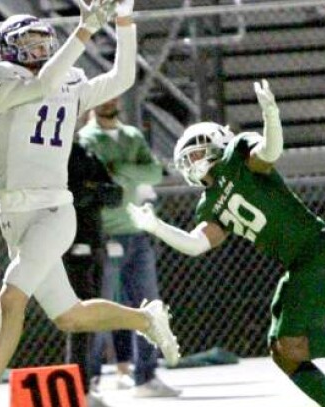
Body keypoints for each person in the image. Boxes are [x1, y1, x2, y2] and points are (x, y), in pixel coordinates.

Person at [0, 1, 180, 406]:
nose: (37, 50)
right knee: (68, 316)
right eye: (28, 43)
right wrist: (84, 30)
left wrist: (122, 21)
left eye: (42, 43)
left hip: (54, 210)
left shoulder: (69, 77)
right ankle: (145, 318)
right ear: (7, 48)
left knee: (10, 298)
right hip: (14, 214)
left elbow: (122, 76)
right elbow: (40, 86)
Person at [127, 79, 325, 407]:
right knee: (284, 354)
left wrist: (271, 116)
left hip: (319, 253)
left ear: (217, 142)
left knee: (292, 344)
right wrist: (156, 226)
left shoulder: (237, 155)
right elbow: (196, 244)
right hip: (301, 264)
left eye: (195, 150)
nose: (191, 161)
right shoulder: (208, 203)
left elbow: (270, 152)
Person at [79, 97, 181, 397]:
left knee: (150, 306)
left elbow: (153, 172)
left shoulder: (132, 136)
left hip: (136, 231)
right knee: (99, 308)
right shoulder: (87, 140)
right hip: (106, 233)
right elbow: (104, 177)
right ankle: (90, 380)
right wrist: (130, 170)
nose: (110, 102)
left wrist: (121, 167)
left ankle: (146, 376)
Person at [63, 130, 124, 406]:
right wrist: (91, 191)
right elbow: (68, 196)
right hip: (69, 245)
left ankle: (82, 385)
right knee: (78, 318)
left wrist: (91, 191)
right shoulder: (52, 157)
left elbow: (115, 194)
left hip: (95, 243)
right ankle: (77, 386)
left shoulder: (85, 152)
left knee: (91, 318)